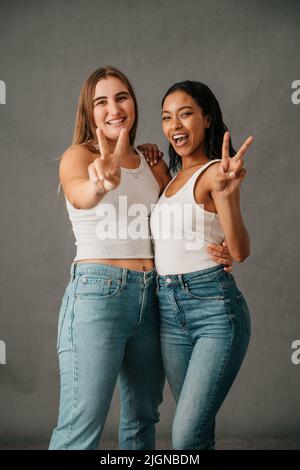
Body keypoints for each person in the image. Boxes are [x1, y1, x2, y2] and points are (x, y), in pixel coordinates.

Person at [49, 67, 233, 450]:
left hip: (152, 300)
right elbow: (81, 193)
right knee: (81, 425)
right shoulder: (78, 156)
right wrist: (99, 182)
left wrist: (223, 246)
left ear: (134, 104)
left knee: (142, 418)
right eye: (102, 102)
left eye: (122, 97)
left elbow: (182, 217)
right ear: (89, 111)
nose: (114, 108)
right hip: (98, 296)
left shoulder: (151, 162)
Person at [150, 80, 253, 450]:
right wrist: (156, 161)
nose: (175, 125)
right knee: (197, 432)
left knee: (185, 435)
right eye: (166, 117)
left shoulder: (214, 173)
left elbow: (239, 250)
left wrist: (228, 195)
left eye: (186, 114)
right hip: (168, 310)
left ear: (207, 118)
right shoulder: (171, 180)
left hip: (214, 309)